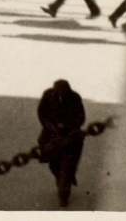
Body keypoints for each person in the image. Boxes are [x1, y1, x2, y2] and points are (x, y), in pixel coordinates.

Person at [36, 78, 88, 206]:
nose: (61, 95)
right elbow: (42, 112)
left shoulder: (75, 98)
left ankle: (64, 194)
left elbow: (81, 117)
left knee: (67, 164)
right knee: (54, 165)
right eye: (59, 92)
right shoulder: (48, 95)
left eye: (64, 93)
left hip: (71, 136)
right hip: (51, 134)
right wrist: (51, 126)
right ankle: (64, 179)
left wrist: (66, 126)